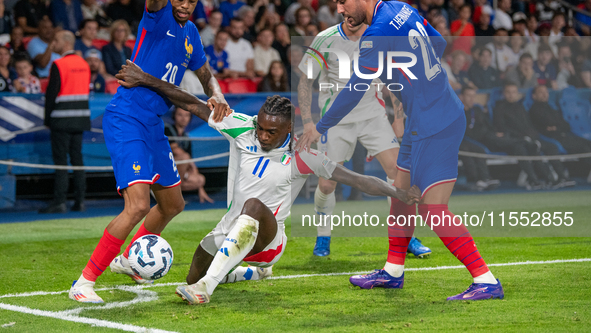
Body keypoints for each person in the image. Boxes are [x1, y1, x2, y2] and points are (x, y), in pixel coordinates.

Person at [111, 66, 420, 305]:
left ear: (288, 129)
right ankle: (250, 273)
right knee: (195, 268)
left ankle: (206, 289)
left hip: (269, 240)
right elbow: (191, 103)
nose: (262, 135)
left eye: (272, 131)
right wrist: (145, 79)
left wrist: (397, 190)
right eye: (260, 127)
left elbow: (358, 180)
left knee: (252, 209)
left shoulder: (303, 156)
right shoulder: (243, 129)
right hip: (228, 228)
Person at [297, 0, 503, 301]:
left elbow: (353, 91)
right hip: (437, 111)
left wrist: (320, 126)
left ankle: (485, 279)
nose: (339, 9)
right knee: (400, 193)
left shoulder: (373, 36)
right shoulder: (400, 8)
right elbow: (437, 43)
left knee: (433, 209)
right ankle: (393, 272)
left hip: (432, 124)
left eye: (342, 0)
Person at [68, 0, 231, 304]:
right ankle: (84, 282)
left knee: (173, 204)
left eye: (192, 0)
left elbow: (205, 74)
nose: (185, 4)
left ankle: (129, 260)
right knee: (138, 205)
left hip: (153, 124)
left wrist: (216, 93)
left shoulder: (192, 37)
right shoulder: (157, 17)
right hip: (127, 117)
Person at [298, 19, 430, 258]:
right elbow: (305, 81)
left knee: (398, 173)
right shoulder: (325, 38)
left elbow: (395, 80)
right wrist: (308, 122)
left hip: (373, 116)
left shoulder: (380, 37)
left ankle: (405, 237)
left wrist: (398, 118)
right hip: (335, 120)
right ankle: (323, 235)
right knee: (327, 183)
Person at [42, 30, 90, 214]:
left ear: (65, 42)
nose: (54, 43)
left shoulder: (59, 64)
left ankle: (60, 201)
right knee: (77, 160)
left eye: (56, 40)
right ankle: (80, 201)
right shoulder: (84, 64)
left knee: (61, 162)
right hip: (80, 120)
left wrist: (48, 120)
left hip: (61, 120)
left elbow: (51, 95)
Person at [494, 83, 576, 189]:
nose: (511, 95)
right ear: (504, 94)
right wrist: (524, 137)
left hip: (532, 138)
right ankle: (537, 180)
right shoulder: (499, 109)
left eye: (514, 92)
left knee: (551, 147)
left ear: (517, 94)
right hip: (516, 141)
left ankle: (562, 178)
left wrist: (532, 136)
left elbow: (529, 125)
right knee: (528, 149)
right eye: (508, 92)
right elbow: (502, 129)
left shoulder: (521, 107)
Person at [529, 85, 591, 180]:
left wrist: (556, 127)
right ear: (534, 96)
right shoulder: (534, 110)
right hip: (554, 139)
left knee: (588, 143)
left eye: (546, 92)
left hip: (564, 136)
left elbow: (566, 125)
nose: (544, 94)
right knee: (585, 148)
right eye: (541, 92)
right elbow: (545, 125)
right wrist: (557, 126)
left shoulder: (552, 108)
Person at [164, 107, 213, 203]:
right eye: (180, 115)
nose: (183, 118)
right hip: (165, 169)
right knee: (184, 157)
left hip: (180, 173)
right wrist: (191, 164)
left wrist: (200, 189)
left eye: (186, 115)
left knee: (200, 179)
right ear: (174, 116)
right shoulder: (167, 129)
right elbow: (175, 150)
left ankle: (171, 194)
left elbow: (190, 161)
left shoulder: (186, 138)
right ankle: (173, 196)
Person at [459, 87, 500, 191]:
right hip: (458, 141)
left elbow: (485, 126)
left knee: (480, 148)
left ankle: (484, 179)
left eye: (473, 96)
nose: (472, 99)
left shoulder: (476, 110)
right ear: (461, 97)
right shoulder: (455, 110)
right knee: (470, 150)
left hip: (473, 140)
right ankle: (475, 180)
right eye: (469, 96)